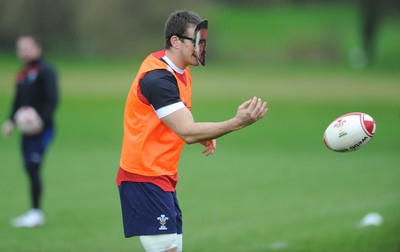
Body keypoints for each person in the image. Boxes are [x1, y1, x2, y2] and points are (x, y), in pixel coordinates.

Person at [116, 10, 268, 252]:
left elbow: (181, 118)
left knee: (174, 246)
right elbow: (186, 131)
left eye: (203, 41)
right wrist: (236, 122)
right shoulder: (157, 79)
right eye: (196, 41)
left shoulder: (181, 71)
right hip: (143, 177)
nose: (201, 47)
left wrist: (203, 135)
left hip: (162, 176)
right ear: (175, 41)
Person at [1, 35, 58, 228]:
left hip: (43, 130)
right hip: (26, 131)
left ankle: (36, 213)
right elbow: (18, 101)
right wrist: (10, 121)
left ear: (37, 48)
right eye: (21, 48)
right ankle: (34, 212)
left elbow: (53, 99)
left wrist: (41, 120)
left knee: (33, 167)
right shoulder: (22, 74)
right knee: (28, 167)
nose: (24, 51)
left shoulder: (46, 71)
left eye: (27, 48)